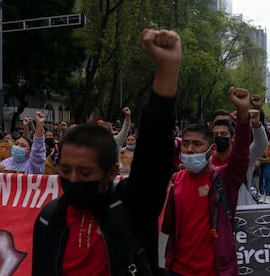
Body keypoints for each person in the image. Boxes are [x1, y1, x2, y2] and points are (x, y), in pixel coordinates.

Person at [32, 28, 181, 276]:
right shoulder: (48, 218)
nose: (74, 179)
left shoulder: (131, 208)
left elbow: (153, 155)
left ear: (111, 172)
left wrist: (167, 69)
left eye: (85, 172)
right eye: (66, 170)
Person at [162, 87, 251, 276]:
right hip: (177, 269)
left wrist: (243, 115)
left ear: (211, 150)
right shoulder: (176, 181)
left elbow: (242, 155)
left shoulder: (223, 179)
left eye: (197, 144)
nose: (190, 150)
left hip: (215, 270)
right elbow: (167, 226)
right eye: (185, 144)